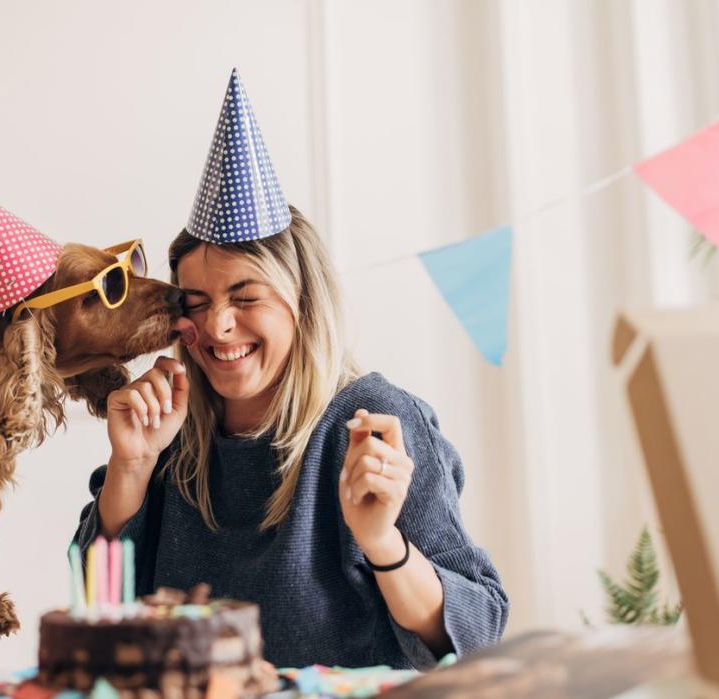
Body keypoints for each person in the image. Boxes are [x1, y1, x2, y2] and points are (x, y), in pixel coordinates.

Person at [72, 69, 508, 670]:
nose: (219, 327)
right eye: (196, 302)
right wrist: (132, 467)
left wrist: (382, 542)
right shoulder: (170, 436)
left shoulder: (373, 422)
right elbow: (94, 614)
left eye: (246, 297)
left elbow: (479, 635)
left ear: (303, 303)